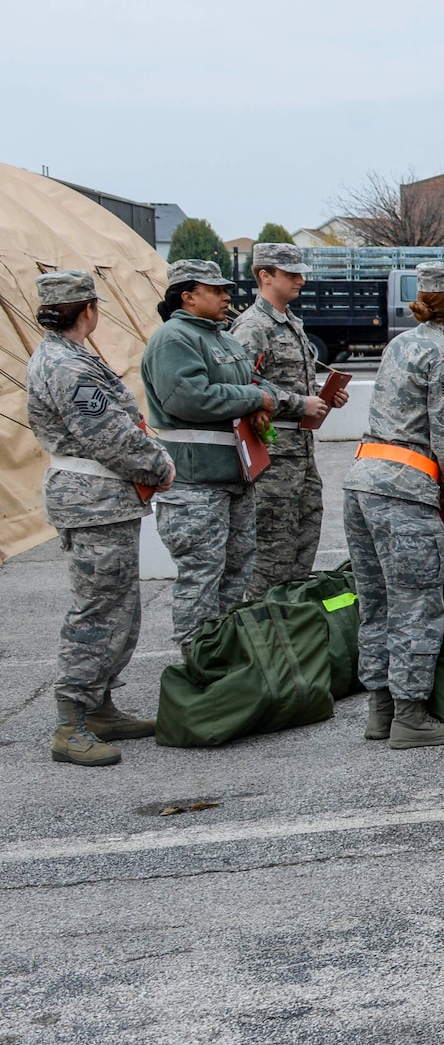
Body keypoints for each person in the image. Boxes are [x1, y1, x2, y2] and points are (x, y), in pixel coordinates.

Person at [28, 271, 177, 766]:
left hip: (102, 500)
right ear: (87, 309)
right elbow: (109, 438)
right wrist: (160, 465)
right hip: (92, 501)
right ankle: (71, 722)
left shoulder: (66, 356)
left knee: (119, 609)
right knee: (97, 612)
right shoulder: (68, 366)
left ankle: (100, 706)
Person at [343, 262, 444, 749]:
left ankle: (380, 711)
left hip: (362, 481)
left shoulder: (401, 342)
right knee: (417, 604)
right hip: (405, 490)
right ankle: (411, 716)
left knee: (376, 603)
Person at [143, 259, 313, 647]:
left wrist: (264, 394)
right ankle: (198, 659)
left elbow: (257, 380)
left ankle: (224, 653)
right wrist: (255, 397)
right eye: (216, 290)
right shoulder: (175, 338)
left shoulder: (221, 337)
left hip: (234, 477)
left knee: (235, 571)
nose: (226, 296)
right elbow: (190, 399)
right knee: (202, 576)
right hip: (196, 482)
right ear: (188, 297)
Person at [233, 242, 347, 597]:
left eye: (300, 273)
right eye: (291, 274)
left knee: (304, 539)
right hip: (273, 454)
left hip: (300, 450)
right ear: (265, 276)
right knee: (272, 551)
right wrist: (301, 403)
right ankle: (265, 628)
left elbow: (287, 378)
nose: (300, 280)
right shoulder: (252, 327)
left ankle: (292, 623)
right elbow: (243, 387)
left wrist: (325, 396)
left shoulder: (290, 323)